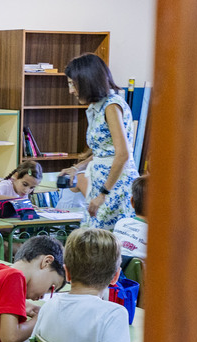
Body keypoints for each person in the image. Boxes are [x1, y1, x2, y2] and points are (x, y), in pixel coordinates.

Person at [60, 53, 139, 231]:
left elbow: (123, 154)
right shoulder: (97, 107)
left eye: (73, 84)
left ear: (88, 81)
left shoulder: (111, 106)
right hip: (102, 183)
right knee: (91, 237)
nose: (71, 91)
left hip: (115, 186)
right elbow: (103, 151)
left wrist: (104, 193)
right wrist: (77, 167)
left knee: (100, 243)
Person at [113, 174, 148, 267]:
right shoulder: (157, 235)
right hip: (142, 280)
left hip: (114, 277)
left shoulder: (121, 223)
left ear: (132, 202)